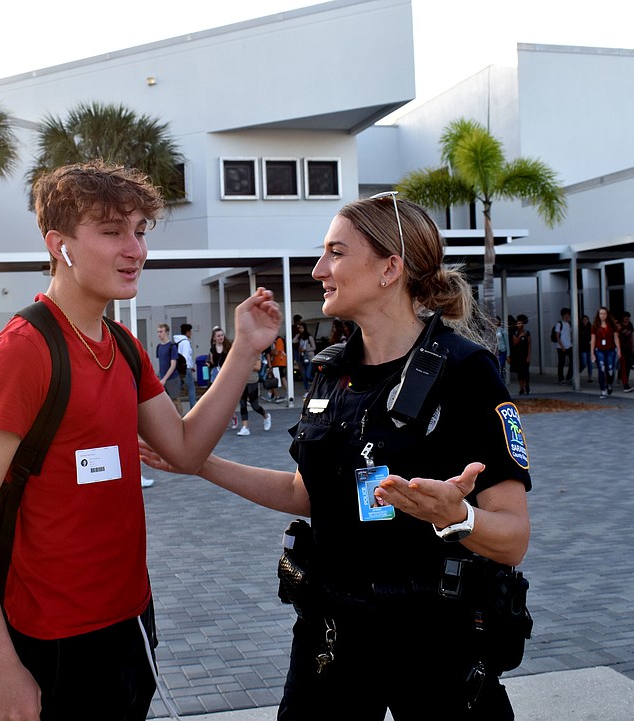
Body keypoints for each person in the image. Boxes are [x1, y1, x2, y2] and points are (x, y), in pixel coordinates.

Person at [142, 194, 531, 719]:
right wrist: (201, 463)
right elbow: (307, 494)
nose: (319, 269)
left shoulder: (465, 372)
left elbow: (512, 539)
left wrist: (455, 516)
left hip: (438, 640)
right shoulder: (332, 372)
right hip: (332, 632)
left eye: (336, 253)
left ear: (390, 268)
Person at [0, 160, 281, 721]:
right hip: (53, 641)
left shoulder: (122, 345)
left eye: (140, 231)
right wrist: (0, 666)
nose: (135, 249)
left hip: (129, 622)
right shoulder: (23, 353)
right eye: (112, 231)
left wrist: (243, 352)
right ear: (60, 244)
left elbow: (185, 450)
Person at [236, 354, 272, 436]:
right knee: (242, 404)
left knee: (254, 405)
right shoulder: (239, 352)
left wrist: (246, 365)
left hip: (252, 381)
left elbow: (258, 367)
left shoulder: (256, 352)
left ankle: (266, 416)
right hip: (241, 381)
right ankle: (245, 428)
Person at [590, 306, 620, 399]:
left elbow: (616, 338)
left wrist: (619, 349)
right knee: (601, 368)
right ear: (598, 315)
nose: (602, 315)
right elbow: (593, 339)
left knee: (610, 369)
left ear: (607, 315)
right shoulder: (595, 326)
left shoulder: (612, 326)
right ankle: (603, 390)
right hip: (599, 350)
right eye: (601, 314)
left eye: (604, 313)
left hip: (610, 350)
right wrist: (592, 353)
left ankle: (609, 383)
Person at [156, 323, 183, 416]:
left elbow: (173, 364)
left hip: (172, 378)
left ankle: (180, 418)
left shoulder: (172, 347)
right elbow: (161, 363)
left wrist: (165, 378)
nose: (159, 334)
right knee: (165, 401)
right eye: (158, 332)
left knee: (175, 399)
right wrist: (160, 377)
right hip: (162, 377)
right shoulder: (159, 347)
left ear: (167, 332)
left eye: (161, 331)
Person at [174, 323, 197, 410]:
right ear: (187, 332)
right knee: (191, 388)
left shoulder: (178, 342)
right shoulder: (186, 342)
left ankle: (175, 407)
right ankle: (193, 408)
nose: (191, 333)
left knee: (178, 389)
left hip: (179, 368)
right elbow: (186, 356)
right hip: (186, 368)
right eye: (190, 331)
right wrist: (189, 366)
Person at [509, 314, 531, 395]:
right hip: (518, 355)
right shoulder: (515, 332)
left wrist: (529, 355)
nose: (518, 325)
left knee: (526, 372)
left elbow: (529, 344)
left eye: (520, 323)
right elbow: (514, 343)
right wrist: (519, 337)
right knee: (520, 372)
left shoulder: (527, 333)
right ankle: (521, 388)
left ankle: (527, 385)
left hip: (525, 355)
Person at [293, 321, 317, 395]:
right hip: (302, 357)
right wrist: (298, 334)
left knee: (308, 374)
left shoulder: (309, 337)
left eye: (302, 328)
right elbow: (293, 341)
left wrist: (306, 349)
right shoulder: (300, 337)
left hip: (309, 358)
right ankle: (307, 390)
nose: (300, 329)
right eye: (299, 328)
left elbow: (314, 347)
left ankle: (316, 383)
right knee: (303, 376)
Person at [617, 311, 634, 392]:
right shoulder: (619, 325)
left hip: (628, 347)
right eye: (625, 318)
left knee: (627, 366)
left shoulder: (630, 325)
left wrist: (633, 347)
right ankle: (625, 383)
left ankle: (625, 380)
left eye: (628, 318)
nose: (627, 320)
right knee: (623, 365)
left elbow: (631, 336)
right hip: (621, 347)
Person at [554, 307, 573, 383]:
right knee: (561, 362)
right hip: (561, 346)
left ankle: (569, 376)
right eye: (568, 314)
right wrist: (562, 346)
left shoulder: (569, 324)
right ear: (564, 315)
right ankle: (561, 378)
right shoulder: (559, 324)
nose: (569, 316)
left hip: (569, 345)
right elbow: (557, 336)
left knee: (573, 360)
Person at [578, 314, 593, 382]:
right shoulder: (580, 328)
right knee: (583, 363)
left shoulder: (590, 328)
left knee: (590, 363)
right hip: (582, 347)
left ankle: (590, 377)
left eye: (586, 320)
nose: (585, 321)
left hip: (589, 347)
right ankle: (577, 373)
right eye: (584, 320)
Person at [494, 316, 509, 382]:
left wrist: (508, 354)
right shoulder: (492, 330)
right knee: (496, 366)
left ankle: (502, 380)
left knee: (501, 366)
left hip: (502, 350)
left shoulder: (502, 330)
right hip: (495, 351)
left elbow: (507, 343)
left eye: (496, 321)